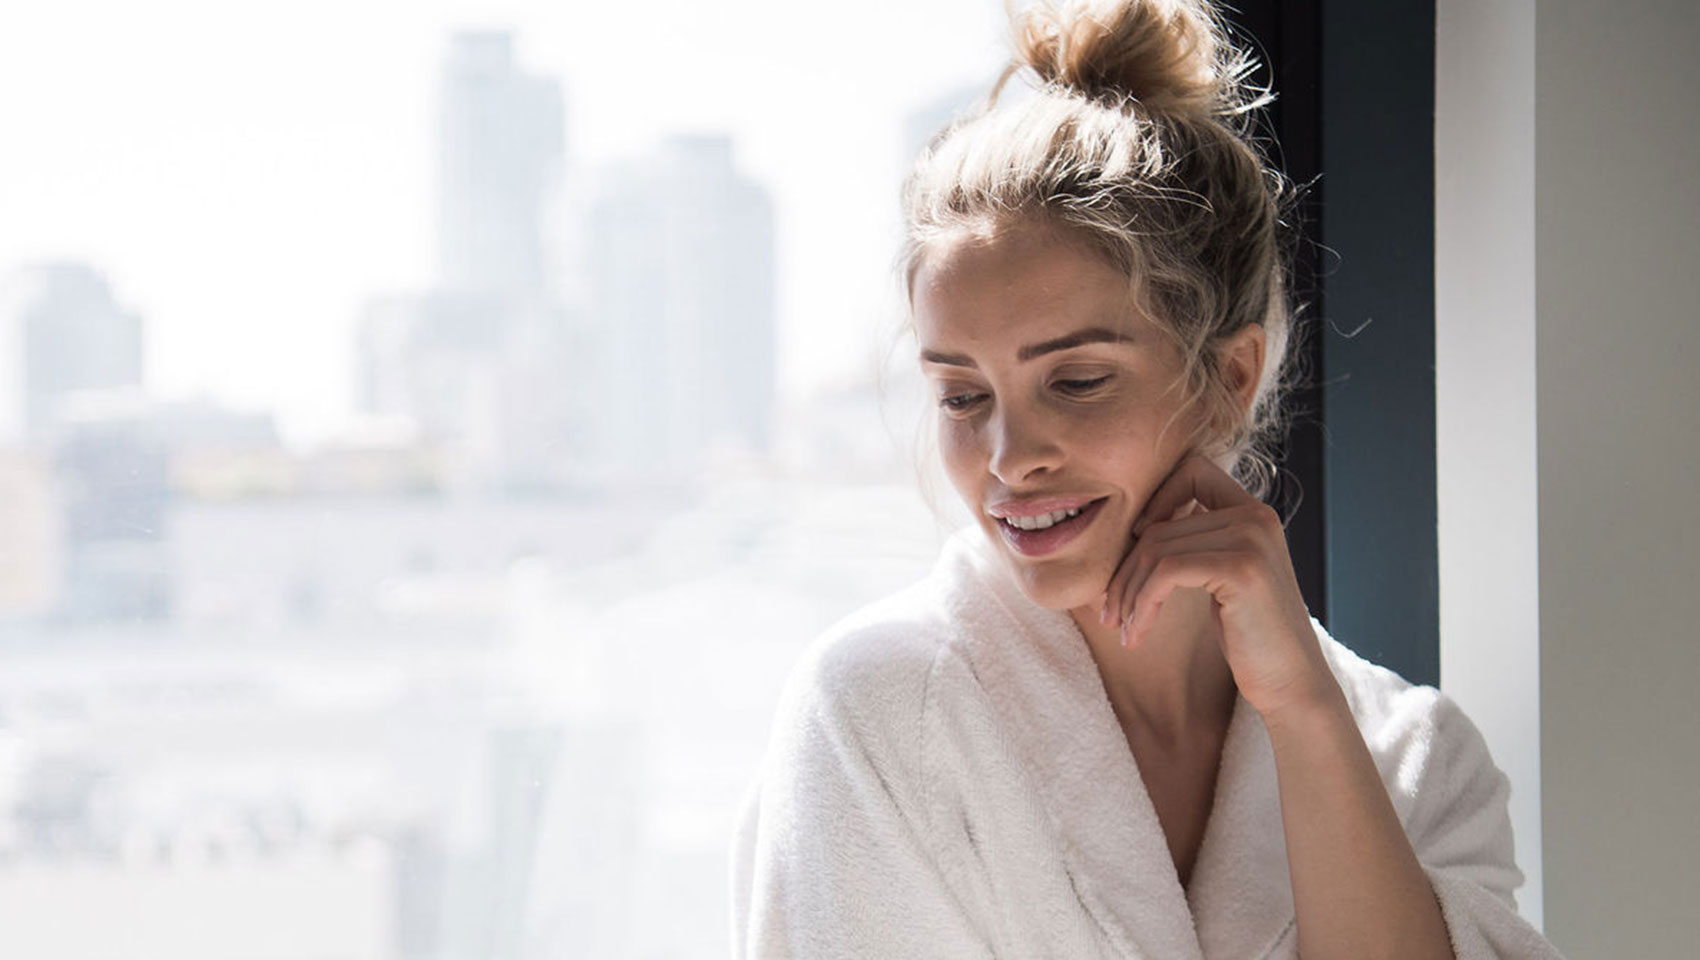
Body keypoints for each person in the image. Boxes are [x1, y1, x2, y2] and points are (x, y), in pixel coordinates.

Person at [729, 1, 1565, 957]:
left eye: (1077, 382)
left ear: (1228, 378)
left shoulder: (1414, 760)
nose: (1008, 458)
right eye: (962, 397)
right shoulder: (876, 714)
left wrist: (1302, 708)